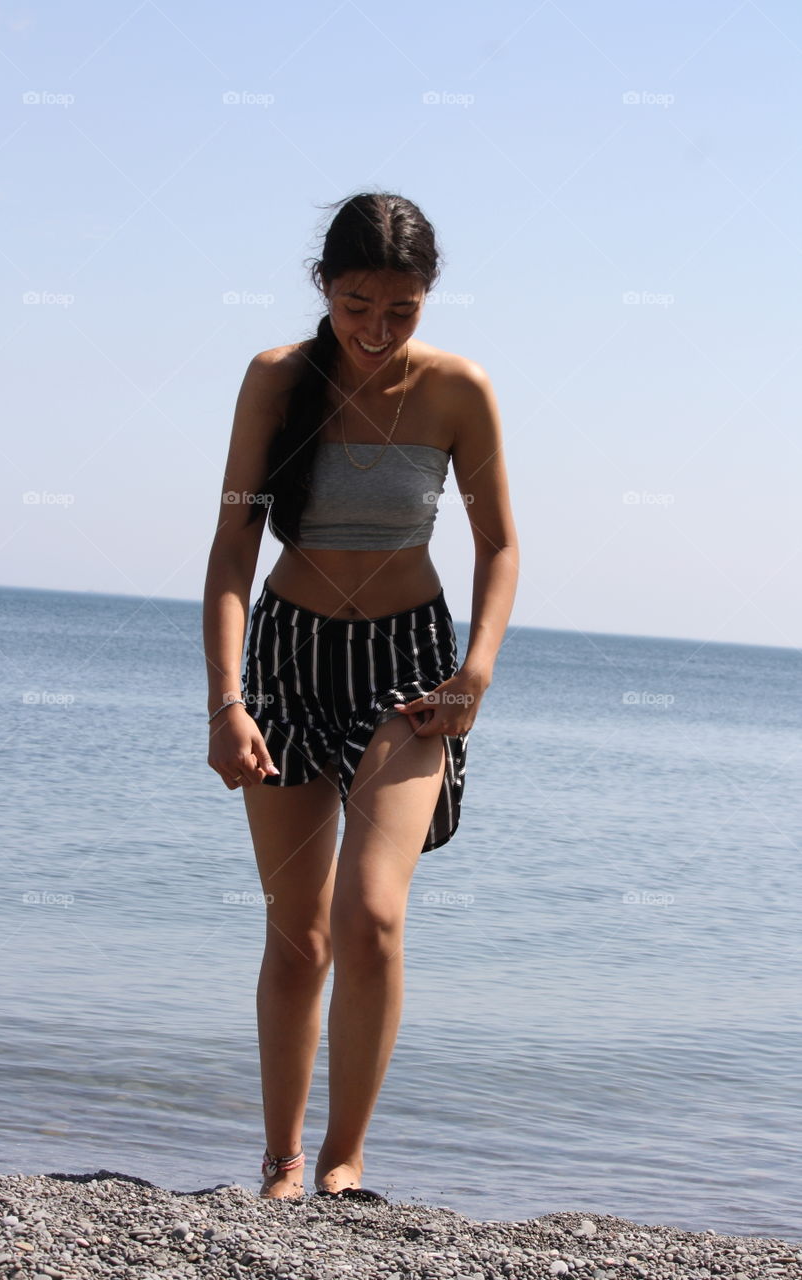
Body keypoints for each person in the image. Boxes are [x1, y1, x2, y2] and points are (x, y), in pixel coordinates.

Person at [203, 191, 518, 1202]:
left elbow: (500, 543)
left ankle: (345, 1159)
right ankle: (282, 1161)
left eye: (402, 309)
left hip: (410, 672)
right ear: (323, 288)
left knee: (371, 914)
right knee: (297, 927)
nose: (378, 330)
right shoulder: (274, 381)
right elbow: (232, 548)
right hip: (289, 658)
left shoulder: (457, 390)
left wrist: (475, 671)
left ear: (427, 299)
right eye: (356, 305)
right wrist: (226, 699)